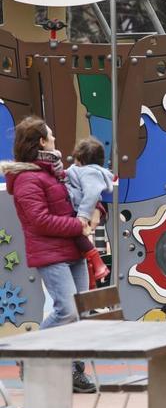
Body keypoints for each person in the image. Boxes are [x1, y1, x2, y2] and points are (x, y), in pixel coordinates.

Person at [0, 117, 96, 392]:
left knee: (79, 312)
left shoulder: (54, 171)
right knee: (66, 309)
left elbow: (70, 203)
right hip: (51, 253)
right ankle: (28, 355)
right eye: (50, 136)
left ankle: (73, 370)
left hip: (72, 248)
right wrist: (77, 225)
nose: (55, 139)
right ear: (41, 141)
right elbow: (39, 220)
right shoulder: (28, 178)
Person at [65, 137, 112, 289]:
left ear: (81, 159)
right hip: (79, 210)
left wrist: (83, 216)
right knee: (82, 246)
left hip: (79, 213)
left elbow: (91, 193)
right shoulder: (88, 172)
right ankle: (94, 276)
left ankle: (98, 265)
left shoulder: (89, 172)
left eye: (76, 159)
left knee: (80, 240)